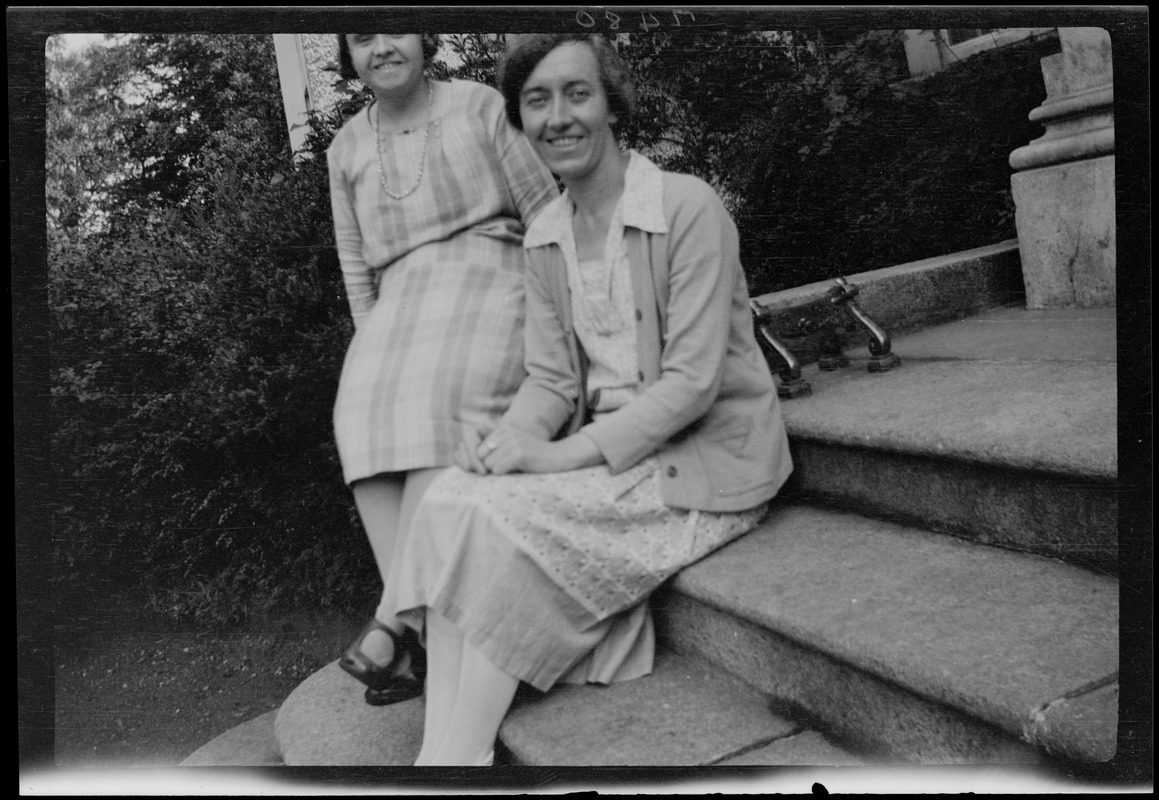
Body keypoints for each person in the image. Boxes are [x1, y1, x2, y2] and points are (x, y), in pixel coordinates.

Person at [389, 33, 794, 765]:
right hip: (608, 461)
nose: (558, 117)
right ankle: (445, 756)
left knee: (485, 519)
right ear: (520, 120)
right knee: (453, 496)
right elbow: (549, 381)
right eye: (536, 101)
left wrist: (550, 458)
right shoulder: (545, 236)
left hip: (702, 465)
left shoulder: (687, 207)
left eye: (576, 93)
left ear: (611, 105)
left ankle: (455, 757)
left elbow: (692, 383)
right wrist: (505, 441)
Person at [327, 33, 558, 706]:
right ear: (349, 56)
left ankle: (398, 621)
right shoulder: (346, 147)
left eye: (392, 29)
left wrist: (558, 306)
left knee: (434, 399)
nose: (380, 48)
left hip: (491, 272)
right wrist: (369, 345)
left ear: (422, 37)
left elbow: (543, 207)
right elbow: (352, 262)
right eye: (361, 39)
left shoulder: (478, 105)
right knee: (359, 410)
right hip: (400, 299)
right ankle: (427, 632)